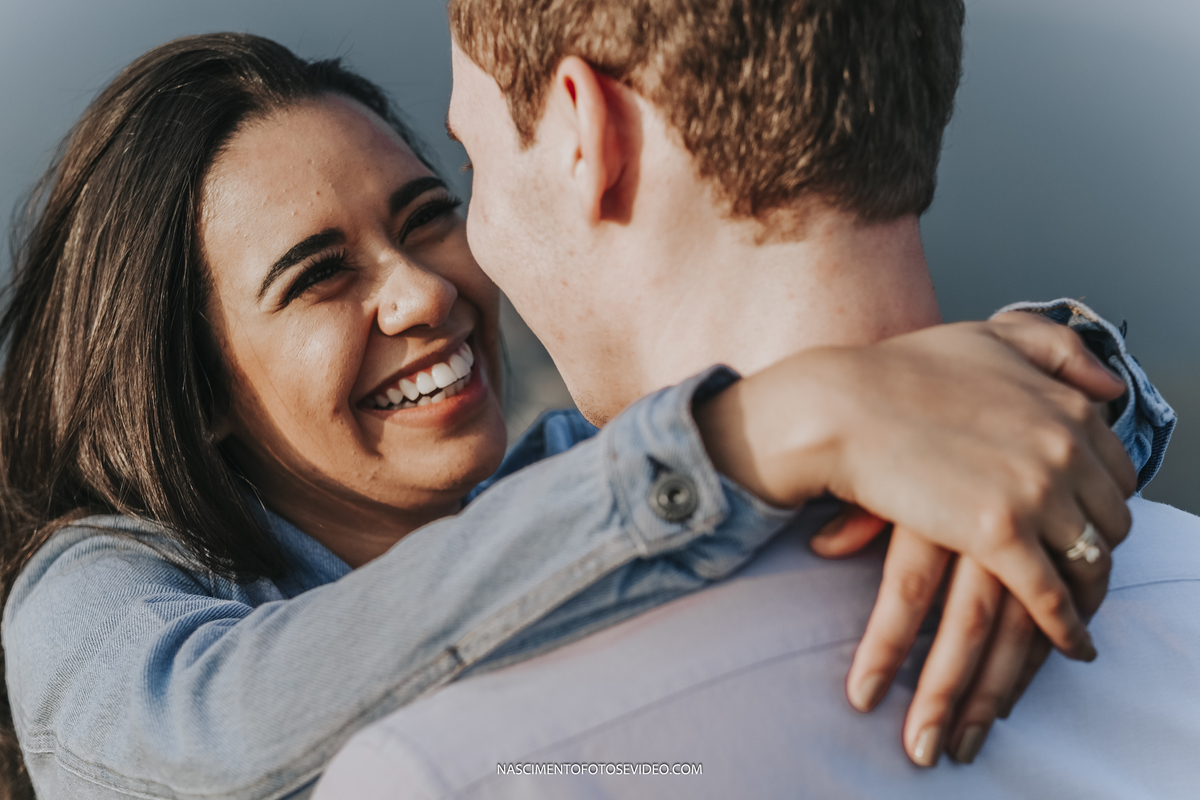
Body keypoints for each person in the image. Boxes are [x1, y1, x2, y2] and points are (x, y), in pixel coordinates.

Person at [0, 31, 1149, 800]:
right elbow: (210, 736)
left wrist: (1054, 388)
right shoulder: (97, 594)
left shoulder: (558, 475)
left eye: (427, 214)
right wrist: (749, 434)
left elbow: (893, 423)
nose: (423, 289)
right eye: (317, 274)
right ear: (194, 395)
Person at [311, 0, 1194, 796]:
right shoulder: (1180, 582)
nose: (475, 241)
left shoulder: (463, 770)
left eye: (474, 164)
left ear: (588, 132)